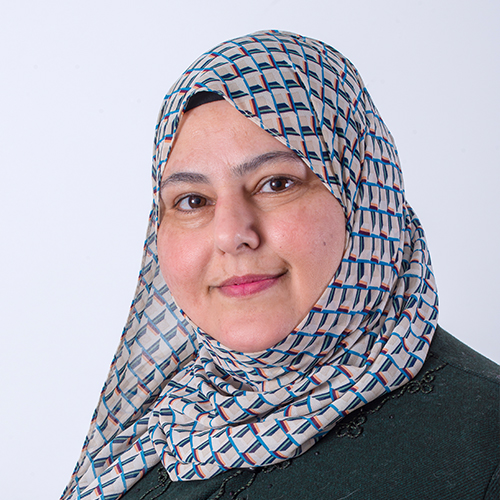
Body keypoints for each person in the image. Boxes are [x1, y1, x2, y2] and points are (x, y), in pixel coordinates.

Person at [61, 30, 499, 500]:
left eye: (276, 184)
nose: (232, 234)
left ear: (366, 197)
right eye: (193, 200)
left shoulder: (484, 447)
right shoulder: (164, 427)